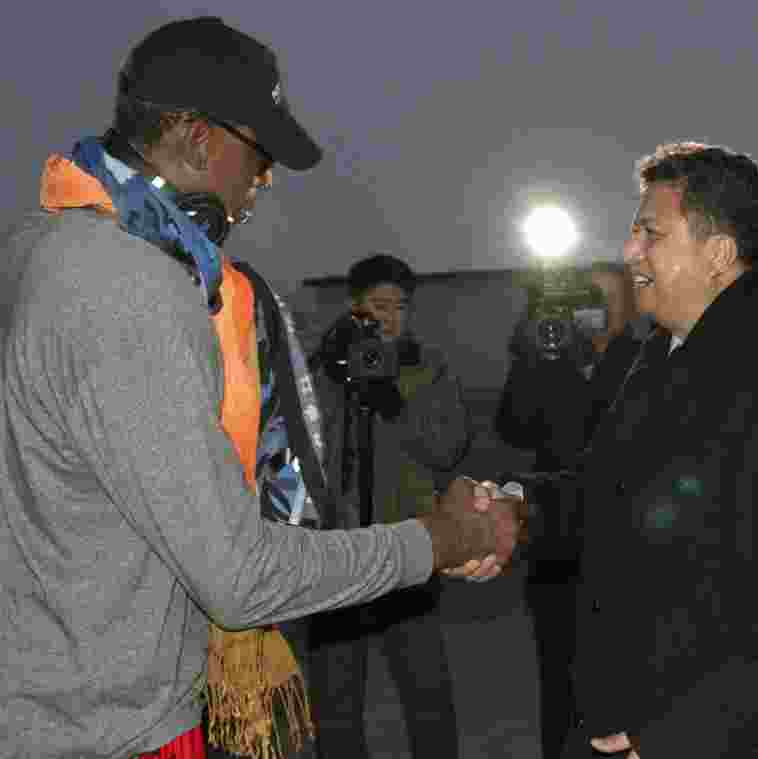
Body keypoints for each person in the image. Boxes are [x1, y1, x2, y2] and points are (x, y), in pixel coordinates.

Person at [0, 17, 523, 759]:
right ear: (194, 136)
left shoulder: (45, 244)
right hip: (104, 730)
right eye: (259, 154)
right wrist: (438, 540)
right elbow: (240, 576)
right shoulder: (127, 289)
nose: (263, 181)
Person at [558, 141, 758, 758]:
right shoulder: (663, 348)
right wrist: (521, 508)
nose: (630, 252)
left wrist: (679, 737)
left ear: (717, 254)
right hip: (639, 716)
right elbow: (610, 496)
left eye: (650, 233)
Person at [307, 253, 470, 759]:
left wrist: (395, 402)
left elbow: (448, 448)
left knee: (426, 688)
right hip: (341, 550)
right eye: (379, 306)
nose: (391, 318)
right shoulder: (325, 368)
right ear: (355, 309)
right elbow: (304, 448)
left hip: (411, 546)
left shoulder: (427, 365)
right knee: (335, 696)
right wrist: (331, 372)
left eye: (401, 306)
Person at [494, 261, 645, 759]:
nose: (590, 314)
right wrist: (532, 356)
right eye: (583, 303)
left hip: (629, 549)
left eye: (601, 302)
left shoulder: (648, 358)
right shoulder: (547, 356)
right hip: (558, 549)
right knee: (557, 677)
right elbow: (512, 428)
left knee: (624, 680)